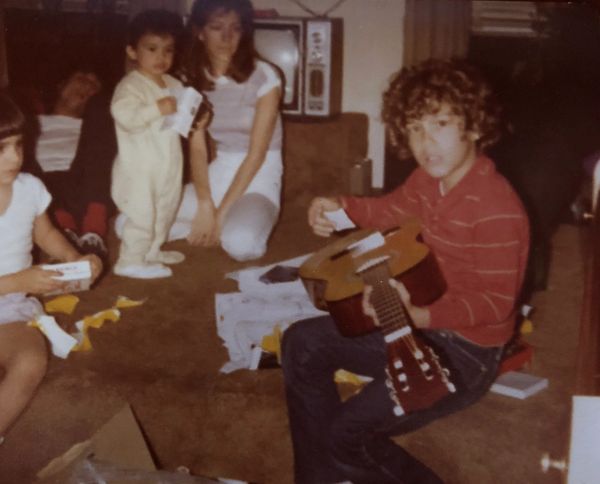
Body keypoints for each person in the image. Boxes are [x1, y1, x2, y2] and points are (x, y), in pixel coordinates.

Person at [281, 59, 530, 483]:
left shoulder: (496, 209)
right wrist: (340, 210)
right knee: (300, 344)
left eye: (440, 123)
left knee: (347, 436)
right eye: (415, 127)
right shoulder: (426, 181)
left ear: (473, 126)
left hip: (464, 355)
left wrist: (420, 317)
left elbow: (494, 303)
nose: (426, 141)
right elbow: (388, 210)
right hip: (415, 324)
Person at [0, 93, 103, 444]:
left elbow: (45, 233)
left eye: (18, 145)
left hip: (11, 307)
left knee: (31, 362)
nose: (14, 158)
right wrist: (17, 280)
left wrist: (73, 260)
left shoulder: (29, 189)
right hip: (13, 286)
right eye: (1, 149)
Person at [167, 0, 283, 261]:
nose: (227, 37)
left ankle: (233, 222)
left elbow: (257, 154)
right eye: (216, 27)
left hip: (259, 179)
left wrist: (219, 217)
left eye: (235, 28)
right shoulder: (191, 77)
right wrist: (205, 204)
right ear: (200, 32)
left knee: (240, 244)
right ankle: (208, 226)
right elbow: (197, 148)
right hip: (218, 173)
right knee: (129, 224)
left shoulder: (265, 76)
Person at [111, 9, 186, 279]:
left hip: (168, 162)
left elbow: (180, 119)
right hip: (140, 166)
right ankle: (130, 259)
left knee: (166, 208)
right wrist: (156, 109)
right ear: (133, 52)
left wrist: (191, 113)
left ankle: (152, 251)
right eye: (152, 49)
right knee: (142, 214)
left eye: (168, 50)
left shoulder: (173, 83)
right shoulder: (130, 85)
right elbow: (125, 116)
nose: (161, 57)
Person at [29, 69, 116, 260]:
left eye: (94, 86)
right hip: (41, 190)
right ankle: (65, 232)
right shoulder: (32, 122)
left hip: (88, 188)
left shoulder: (96, 128)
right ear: (61, 86)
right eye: (81, 78)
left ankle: (95, 228)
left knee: (105, 109)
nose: (87, 86)